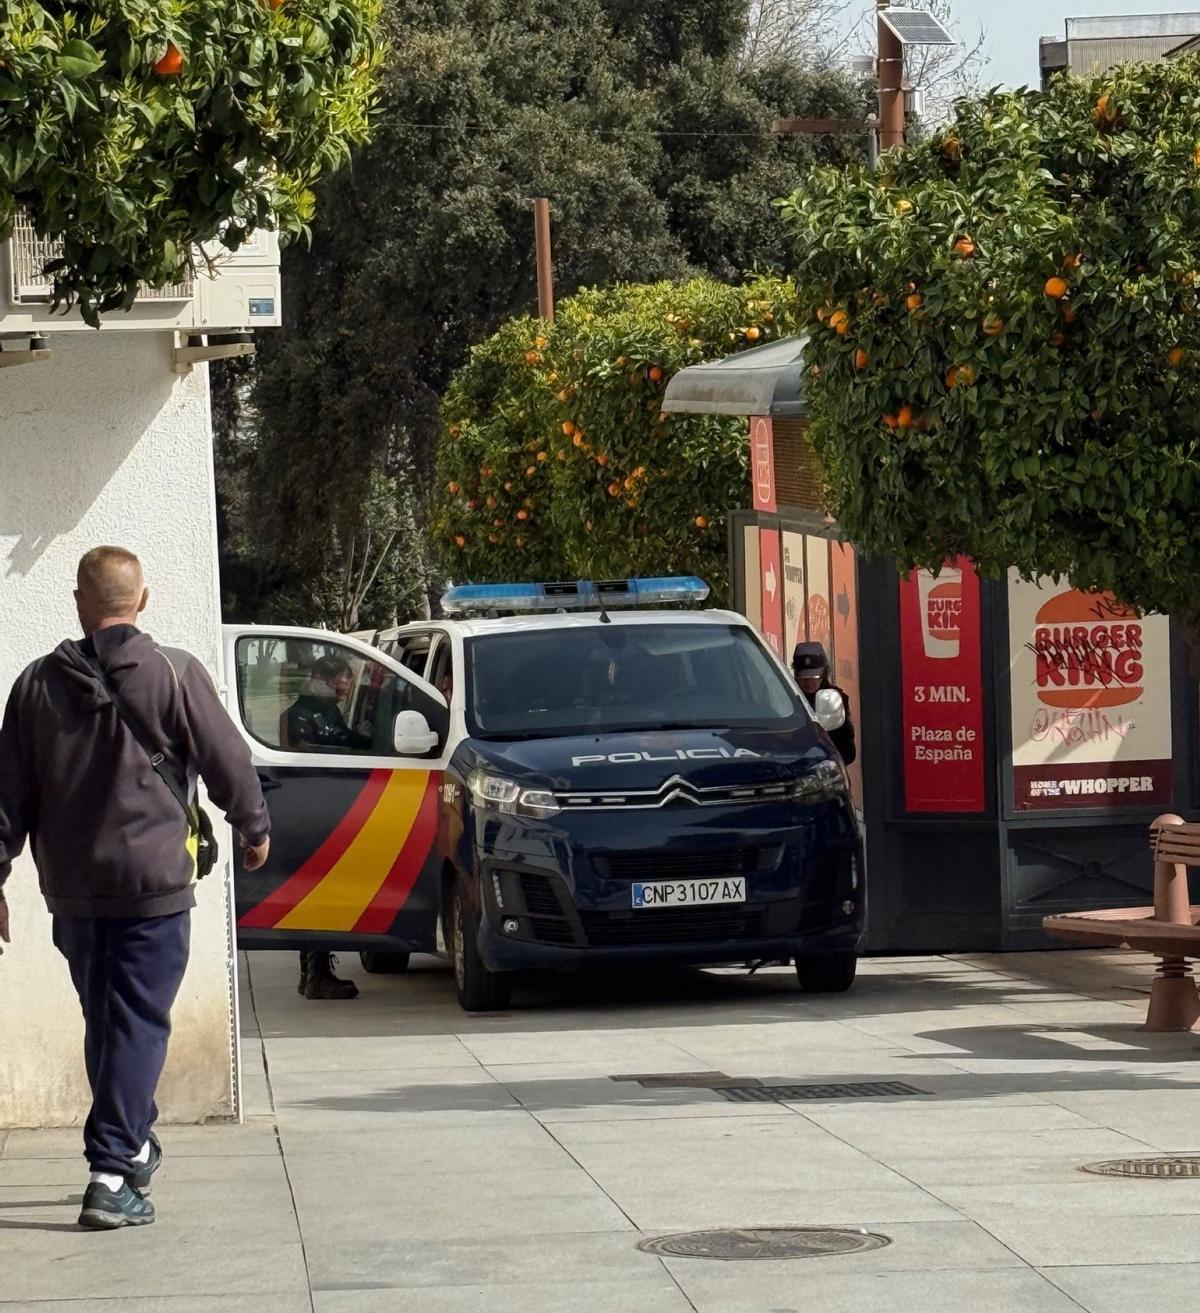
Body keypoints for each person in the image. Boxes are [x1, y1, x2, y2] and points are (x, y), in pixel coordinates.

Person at [0, 546, 271, 1230]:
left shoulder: (35, 686)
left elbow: (7, 799)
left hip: (73, 891)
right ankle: (111, 1171)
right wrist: (253, 824)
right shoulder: (174, 673)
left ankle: (135, 1139)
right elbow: (227, 759)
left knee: (110, 1020)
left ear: (78, 604)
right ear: (141, 600)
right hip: (154, 886)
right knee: (138, 1022)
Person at [284, 655, 364, 1001]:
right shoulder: (303, 714)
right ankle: (316, 973)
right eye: (340, 683)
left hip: (321, 801)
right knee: (319, 888)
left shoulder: (324, 709)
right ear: (321, 677)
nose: (344, 690)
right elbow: (320, 750)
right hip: (312, 805)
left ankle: (314, 972)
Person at [792, 640, 857, 766]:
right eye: (803, 678)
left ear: (824, 674)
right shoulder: (790, 700)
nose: (809, 682)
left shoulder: (836, 699)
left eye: (814, 678)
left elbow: (848, 751)